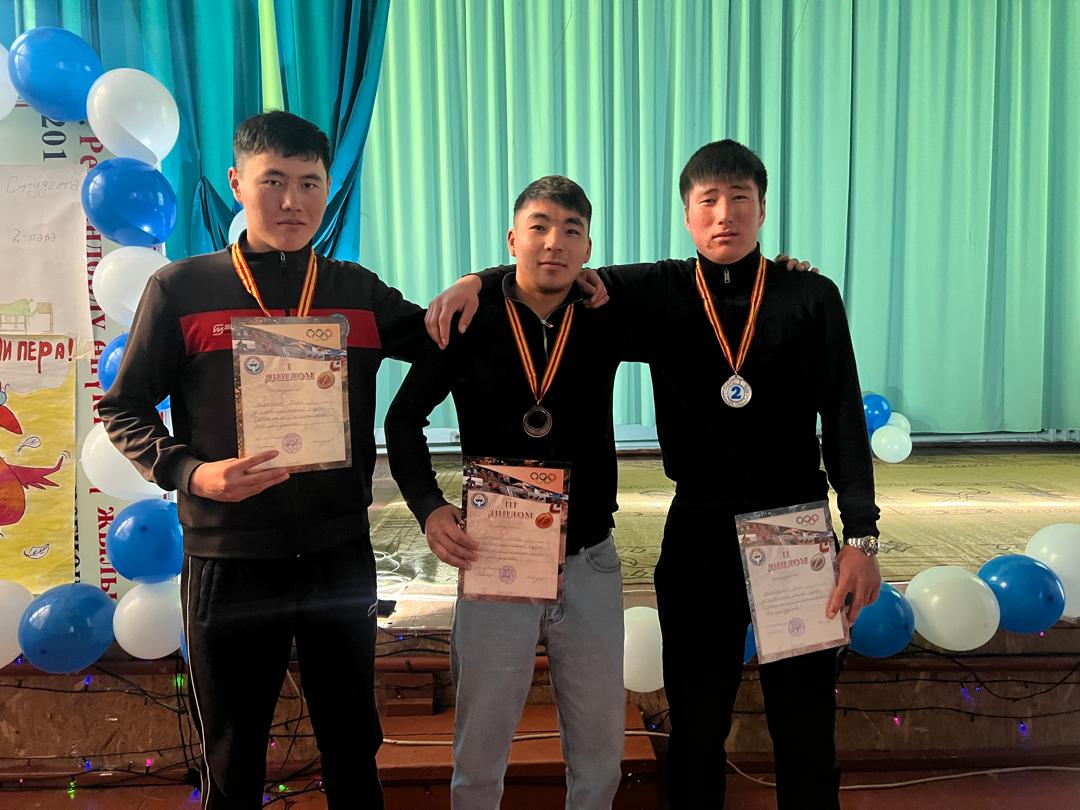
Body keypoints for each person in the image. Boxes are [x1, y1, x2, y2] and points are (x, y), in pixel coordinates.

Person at [427, 140, 882, 809]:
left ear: (762, 210)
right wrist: (476, 280)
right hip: (699, 529)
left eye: (740, 199)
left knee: (806, 728)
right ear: (687, 215)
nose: (725, 214)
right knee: (696, 727)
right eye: (709, 200)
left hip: (794, 527)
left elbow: (844, 415)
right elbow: (552, 268)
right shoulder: (655, 291)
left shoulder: (809, 295)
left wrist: (862, 535)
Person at [98, 111, 427, 809]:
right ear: (236, 183)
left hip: (337, 554)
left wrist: (481, 283)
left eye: (310, 183)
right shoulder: (182, 289)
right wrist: (192, 473)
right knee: (233, 749)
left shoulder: (356, 291)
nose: (291, 202)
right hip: (231, 557)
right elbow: (123, 409)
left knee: (351, 741)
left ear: (328, 189)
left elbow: (449, 338)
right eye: (272, 181)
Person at [384, 176, 649, 809]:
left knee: (600, 757)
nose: (553, 242)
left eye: (571, 231)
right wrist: (428, 508)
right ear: (512, 238)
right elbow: (402, 420)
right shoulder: (470, 319)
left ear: (587, 249)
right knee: (479, 757)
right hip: (495, 558)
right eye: (538, 227)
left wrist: (775, 271)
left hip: (589, 559)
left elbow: (687, 282)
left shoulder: (604, 316)